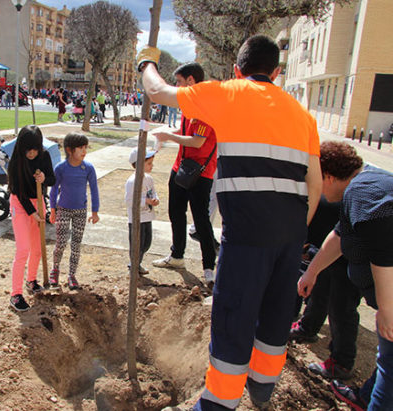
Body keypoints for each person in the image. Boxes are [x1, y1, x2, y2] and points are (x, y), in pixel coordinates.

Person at [139, 34, 323, 410]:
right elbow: (315, 184)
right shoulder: (303, 116)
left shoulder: (230, 93)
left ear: (238, 69)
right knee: (274, 315)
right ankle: (262, 389)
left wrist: (146, 62)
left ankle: (219, 402)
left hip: (247, 235)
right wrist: (293, 230)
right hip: (291, 235)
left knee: (235, 315)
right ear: (277, 72)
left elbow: (157, 92)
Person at [298, 141, 393, 411]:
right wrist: (312, 273)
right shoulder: (358, 190)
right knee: (387, 359)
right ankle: (365, 396)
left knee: (390, 365)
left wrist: (387, 309)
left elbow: (384, 250)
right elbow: (340, 235)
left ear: (326, 175)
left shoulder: (364, 192)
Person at [150, 63, 219, 286]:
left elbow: (197, 141)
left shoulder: (207, 108)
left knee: (201, 221)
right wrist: (167, 133)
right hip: (180, 168)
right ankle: (177, 256)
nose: (176, 87)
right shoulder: (189, 106)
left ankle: (209, 266)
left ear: (191, 81)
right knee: (176, 213)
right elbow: (185, 133)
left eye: (179, 82)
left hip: (201, 173)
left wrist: (169, 137)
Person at [289, 195, 360, 381]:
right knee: (320, 286)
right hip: (327, 244)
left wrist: (307, 253)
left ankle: (342, 362)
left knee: (341, 307)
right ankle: (307, 328)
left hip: (351, 252)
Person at [8, 125, 55, 312]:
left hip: (39, 201)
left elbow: (52, 179)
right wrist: (31, 212)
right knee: (23, 249)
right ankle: (15, 293)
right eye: (28, 149)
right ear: (21, 146)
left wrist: (44, 178)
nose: (32, 153)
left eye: (35, 148)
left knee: (37, 248)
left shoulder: (44, 156)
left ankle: (32, 280)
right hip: (20, 204)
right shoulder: (16, 161)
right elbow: (18, 191)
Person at [48, 133, 100, 290]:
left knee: (76, 244)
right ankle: (55, 269)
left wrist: (95, 211)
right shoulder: (61, 168)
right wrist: (52, 210)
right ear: (70, 150)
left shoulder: (88, 168)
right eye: (80, 148)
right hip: (63, 210)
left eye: (85, 148)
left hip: (80, 211)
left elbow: (94, 190)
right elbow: (53, 190)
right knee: (61, 242)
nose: (84, 151)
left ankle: (72, 274)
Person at [125, 147, 159, 274]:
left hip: (147, 217)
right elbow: (129, 201)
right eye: (149, 163)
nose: (152, 166)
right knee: (136, 245)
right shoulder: (132, 181)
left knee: (146, 243)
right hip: (136, 219)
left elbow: (153, 193)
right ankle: (133, 266)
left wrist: (155, 199)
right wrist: (145, 201)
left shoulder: (149, 179)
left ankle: (136, 264)